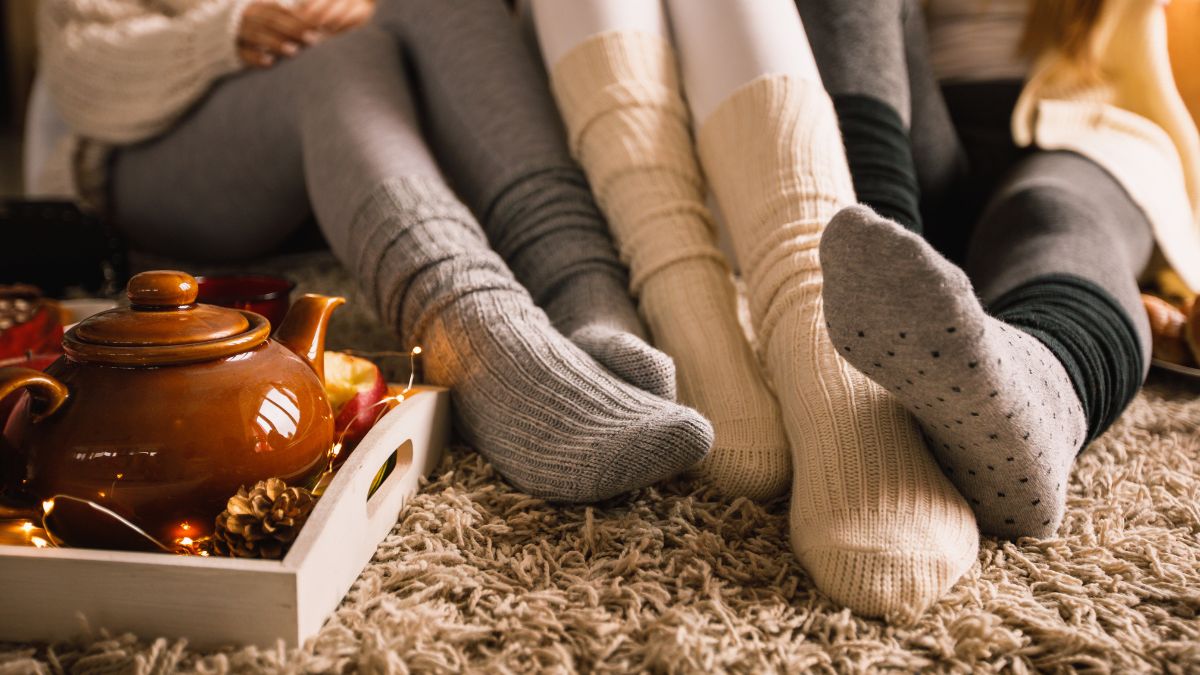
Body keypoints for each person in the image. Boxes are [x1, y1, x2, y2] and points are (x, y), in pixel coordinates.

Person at [37, 0, 716, 503]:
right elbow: (81, 75)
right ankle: (485, 340)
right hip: (164, 157)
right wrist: (228, 31)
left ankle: (580, 289)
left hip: (349, 145)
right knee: (338, 60)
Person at [529, 0, 979, 621]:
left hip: (738, 143)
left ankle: (816, 330)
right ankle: (687, 300)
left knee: (803, 254)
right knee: (669, 241)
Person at [800, 0, 1200, 537]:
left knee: (1051, 213)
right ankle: (879, 247)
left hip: (1086, 122)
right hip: (924, 139)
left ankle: (1039, 402)